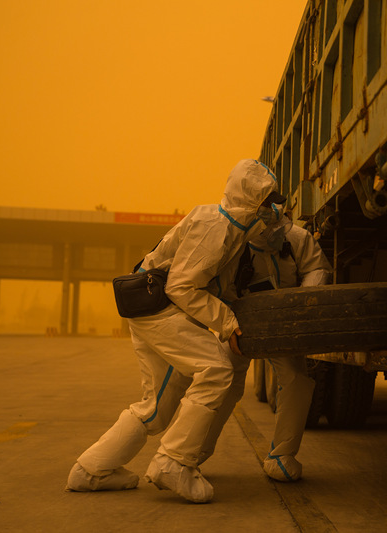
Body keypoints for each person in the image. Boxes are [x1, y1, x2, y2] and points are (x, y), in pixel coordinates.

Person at [66, 159, 285, 503]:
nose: (273, 210)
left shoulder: (233, 232)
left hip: (154, 311)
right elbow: (181, 287)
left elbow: (214, 287)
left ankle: (91, 470)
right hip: (160, 309)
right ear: (251, 200)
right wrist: (228, 325)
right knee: (215, 369)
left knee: (157, 407)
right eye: (269, 202)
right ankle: (173, 463)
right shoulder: (216, 225)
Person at [196, 207, 332, 482]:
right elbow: (215, 287)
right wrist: (227, 324)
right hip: (240, 324)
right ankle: (191, 453)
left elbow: (317, 268)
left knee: (295, 380)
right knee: (222, 380)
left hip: (285, 325)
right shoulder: (233, 244)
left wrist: (301, 305)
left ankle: (282, 455)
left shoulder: (297, 239)